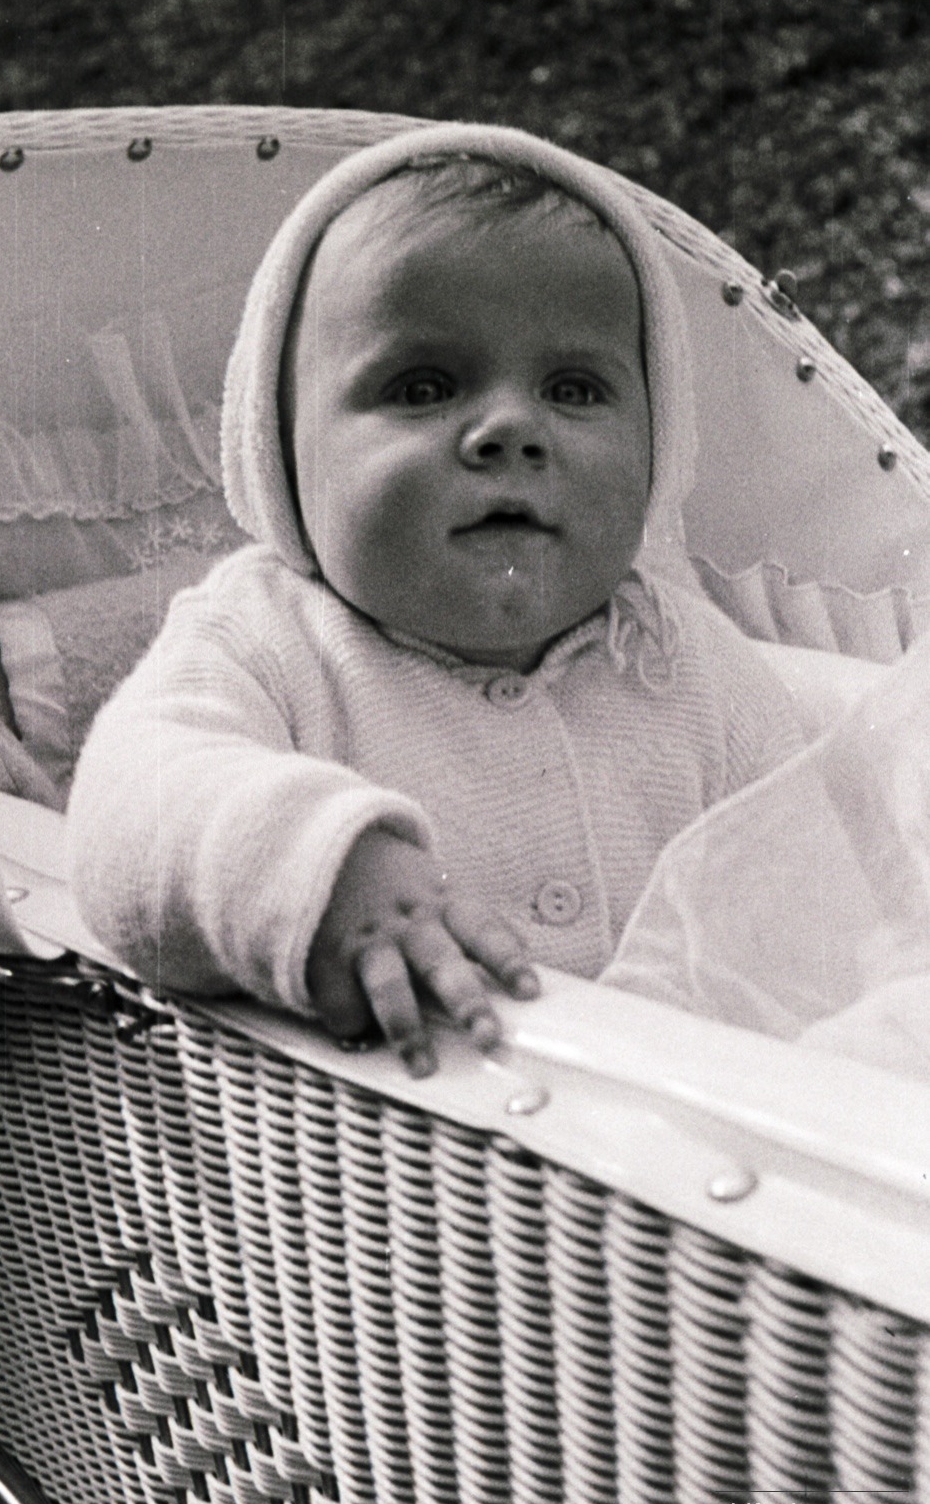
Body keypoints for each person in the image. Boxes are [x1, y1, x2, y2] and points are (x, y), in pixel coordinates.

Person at [68, 121, 803, 1076]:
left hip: (679, 1173)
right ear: (282, 453)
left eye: (575, 389)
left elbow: (818, 888)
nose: (510, 428)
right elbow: (130, 808)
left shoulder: (692, 662)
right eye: (422, 386)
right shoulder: (264, 638)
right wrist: (317, 871)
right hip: (388, 1181)